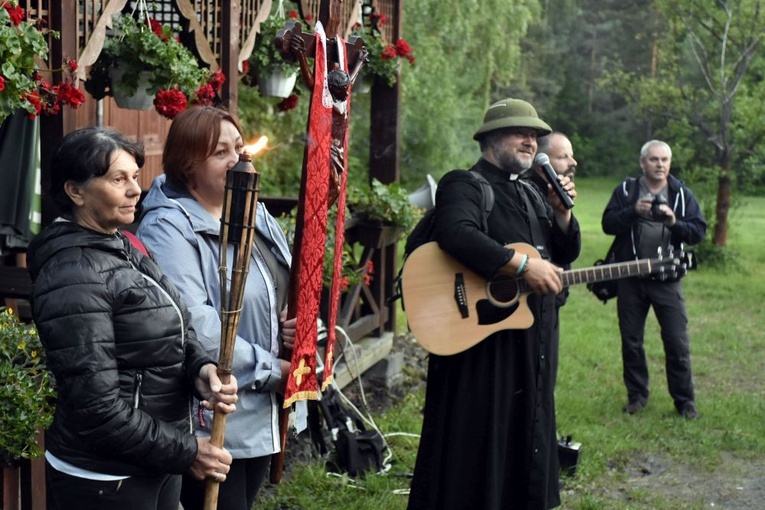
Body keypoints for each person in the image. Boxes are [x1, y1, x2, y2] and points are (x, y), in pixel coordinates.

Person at [27, 127, 238, 510]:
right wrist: (189, 451)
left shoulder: (122, 243)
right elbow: (98, 409)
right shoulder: (73, 275)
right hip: (108, 478)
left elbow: (174, 325)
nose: (135, 190)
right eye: (117, 179)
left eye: (135, 177)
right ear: (75, 191)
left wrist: (200, 370)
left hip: (153, 461)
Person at [407, 98, 581, 510]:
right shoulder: (465, 184)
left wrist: (561, 215)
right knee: (475, 443)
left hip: (530, 341)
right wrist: (521, 267)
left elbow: (566, 250)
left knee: (526, 435)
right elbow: (456, 233)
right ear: (490, 138)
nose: (530, 140)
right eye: (521, 132)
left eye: (535, 134)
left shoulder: (534, 192)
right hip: (479, 344)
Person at [137, 106, 296, 510]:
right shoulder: (167, 226)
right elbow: (195, 322)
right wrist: (270, 369)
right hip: (212, 411)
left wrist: (290, 327)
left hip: (262, 407)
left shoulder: (251, 208)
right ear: (189, 164)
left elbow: (277, 284)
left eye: (239, 148)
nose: (238, 159)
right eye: (221, 152)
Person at [602, 139, 706, 419]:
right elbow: (607, 224)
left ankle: (685, 402)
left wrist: (674, 222)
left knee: (676, 342)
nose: (660, 165)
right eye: (654, 159)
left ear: (669, 164)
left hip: (667, 279)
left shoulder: (681, 194)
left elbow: (698, 232)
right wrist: (633, 211)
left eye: (664, 160)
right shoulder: (626, 190)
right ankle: (637, 396)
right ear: (642, 162)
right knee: (631, 341)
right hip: (630, 277)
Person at [527, 131, 579, 381]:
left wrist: (564, 214)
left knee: (545, 379)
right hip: (525, 303)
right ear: (541, 162)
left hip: (551, 301)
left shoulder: (556, 195)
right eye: (564, 156)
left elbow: (567, 252)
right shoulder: (525, 193)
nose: (574, 162)